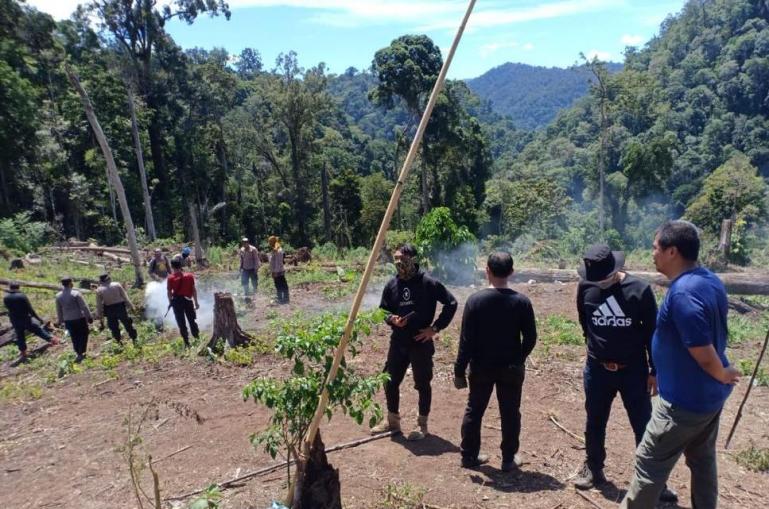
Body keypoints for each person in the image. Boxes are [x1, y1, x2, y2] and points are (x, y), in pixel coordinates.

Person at [621, 220, 741, 509]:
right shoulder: (708, 279)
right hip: (707, 398)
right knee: (702, 460)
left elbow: (701, 348)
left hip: (682, 404)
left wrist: (722, 372)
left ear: (672, 251)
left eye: (655, 248)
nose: (652, 253)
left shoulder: (684, 293)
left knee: (649, 463)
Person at [573, 244, 677, 502]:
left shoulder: (639, 290)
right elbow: (584, 321)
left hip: (633, 371)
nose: (600, 283)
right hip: (597, 370)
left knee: (643, 425)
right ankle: (593, 467)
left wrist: (655, 370)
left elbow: (653, 333)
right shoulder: (586, 287)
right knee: (594, 421)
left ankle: (654, 481)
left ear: (615, 270)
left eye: (604, 279)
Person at [454, 252, 536, 470]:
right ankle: (508, 459)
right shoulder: (522, 302)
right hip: (511, 368)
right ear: (511, 273)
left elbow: (466, 340)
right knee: (510, 412)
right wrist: (519, 358)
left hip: (481, 367)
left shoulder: (475, 301)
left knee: (475, 409)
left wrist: (459, 370)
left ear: (487, 271)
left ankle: (468, 456)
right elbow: (530, 338)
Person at [370, 243, 458, 440]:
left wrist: (434, 328)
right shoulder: (391, 285)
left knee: (422, 383)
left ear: (414, 260)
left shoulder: (429, 283)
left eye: (403, 259)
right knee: (389, 381)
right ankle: (392, 421)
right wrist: (392, 319)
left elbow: (451, 303)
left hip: (421, 342)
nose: (399, 264)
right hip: (398, 341)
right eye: (397, 260)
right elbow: (383, 310)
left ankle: (422, 425)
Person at [4, 282, 59, 361]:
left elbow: (9, 309)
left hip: (15, 320)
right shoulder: (21, 296)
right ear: (18, 287)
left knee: (20, 336)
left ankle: (23, 353)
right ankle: (53, 340)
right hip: (25, 318)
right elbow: (30, 309)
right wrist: (38, 318)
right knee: (38, 330)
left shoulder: (6, 298)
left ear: (10, 287)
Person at [55, 276, 93, 363]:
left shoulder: (58, 296)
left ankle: (78, 352)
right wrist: (89, 317)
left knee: (74, 336)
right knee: (84, 334)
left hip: (68, 320)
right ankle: (82, 351)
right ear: (70, 283)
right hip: (79, 318)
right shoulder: (76, 293)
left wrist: (60, 321)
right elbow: (84, 306)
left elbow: (59, 310)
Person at [95, 273, 138, 345]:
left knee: (114, 327)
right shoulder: (117, 285)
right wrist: (131, 307)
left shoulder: (99, 290)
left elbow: (99, 305)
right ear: (109, 279)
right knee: (127, 323)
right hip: (120, 307)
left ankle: (119, 341)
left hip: (109, 309)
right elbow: (125, 297)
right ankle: (134, 339)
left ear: (101, 281)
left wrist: (100, 315)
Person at [167, 256, 200, 347]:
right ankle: (197, 339)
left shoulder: (170, 278)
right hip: (188, 301)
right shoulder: (189, 276)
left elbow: (169, 293)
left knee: (181, 323)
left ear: (172, 266)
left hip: (177, 302)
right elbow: (193, 290)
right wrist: (196, 302)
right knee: (192, 320)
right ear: (181, 265)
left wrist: (170, 303)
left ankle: (187, 343)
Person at [268, 235, 289, 304]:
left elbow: (277, 262)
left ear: (272, 242)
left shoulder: (278, 250)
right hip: (278, 270)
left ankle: (283, 298)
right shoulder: (275, 249)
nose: (269, 244)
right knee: (280, 284)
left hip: (278, 271)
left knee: (280, 285)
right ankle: (282, 298)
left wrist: (275, 272)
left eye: (270, 242)